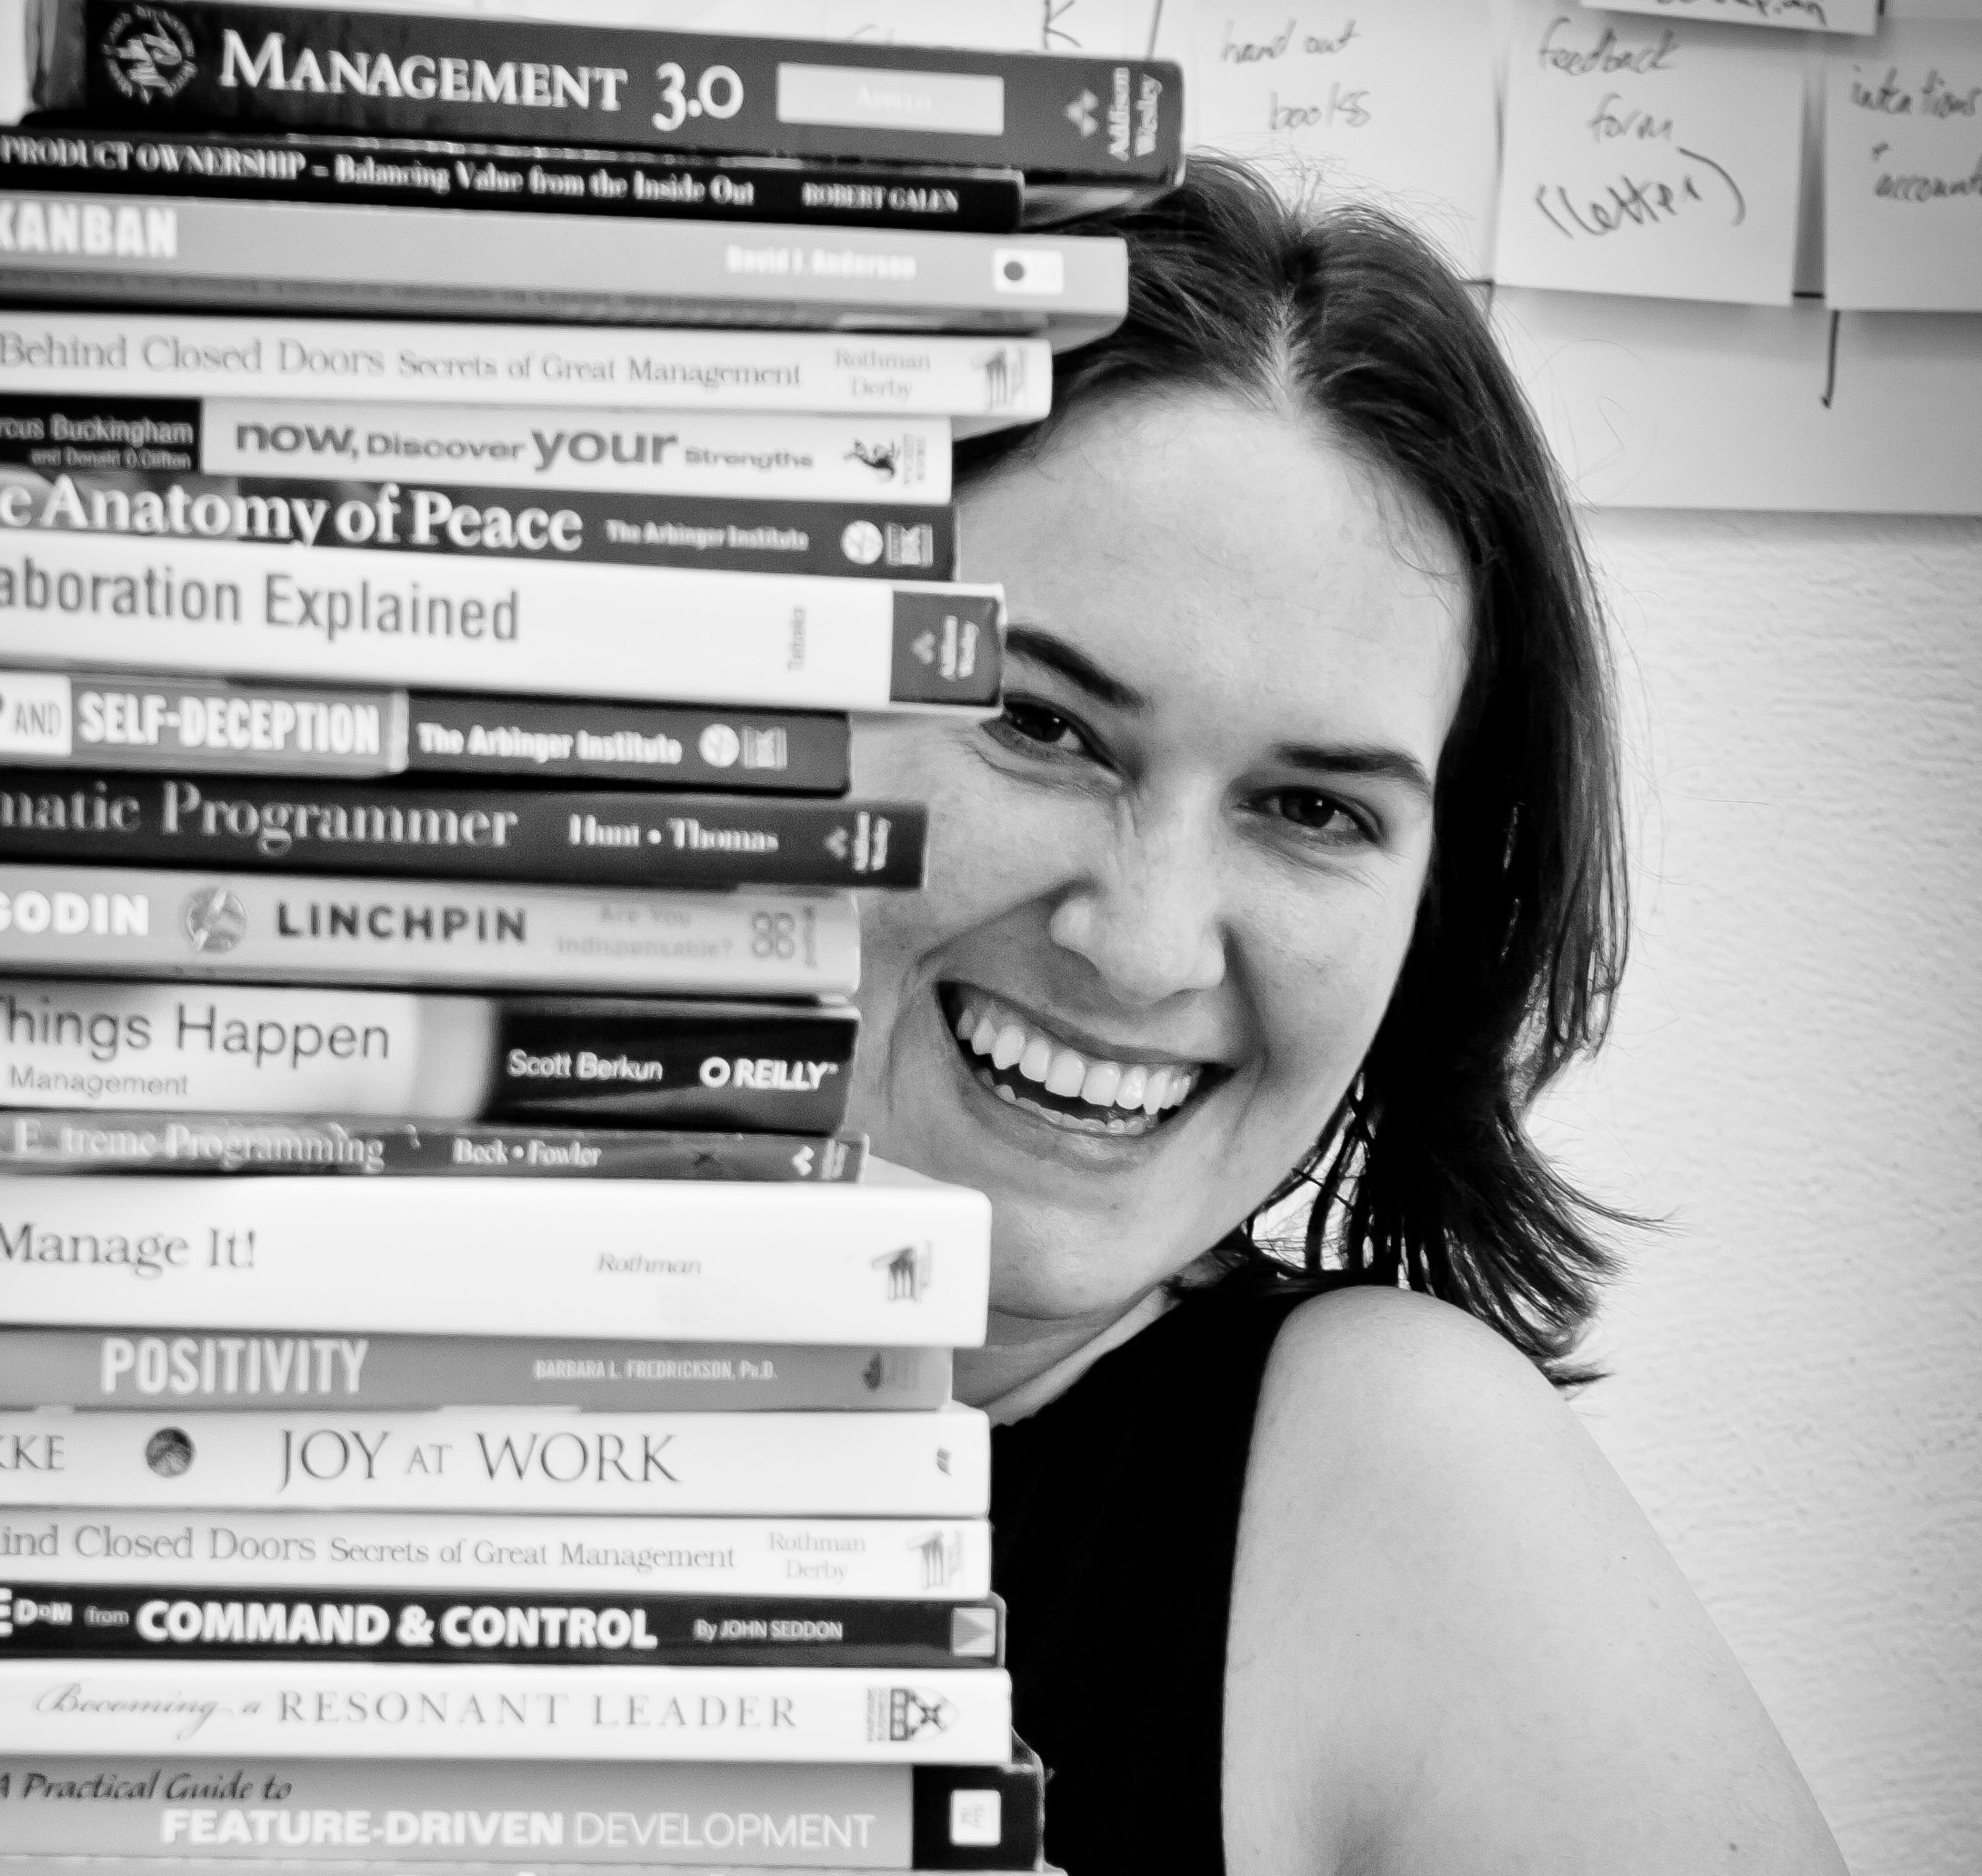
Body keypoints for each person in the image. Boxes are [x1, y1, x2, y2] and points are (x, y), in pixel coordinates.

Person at [845, 156, 1848, 1876]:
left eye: (1313, 810)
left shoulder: (1403, 1485)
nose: (1147, 949)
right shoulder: (375, 1318)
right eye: (1041, 725)